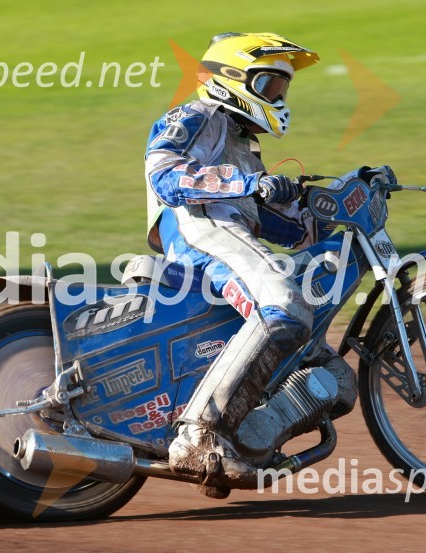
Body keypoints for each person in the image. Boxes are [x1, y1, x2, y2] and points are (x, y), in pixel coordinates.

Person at [144, 32, 362, 496]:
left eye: (282, 90)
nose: (278, 99)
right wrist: (247, 183)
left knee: (334, 380)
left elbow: (286, 227)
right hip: (198, 233)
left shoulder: (245, 147)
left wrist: (340, 201)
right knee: (284, 302)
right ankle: (199, 436)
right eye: (269, 86)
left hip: (231, 237)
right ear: (231, 80)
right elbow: (162, 173)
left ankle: (239, 441)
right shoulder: (196, 116)